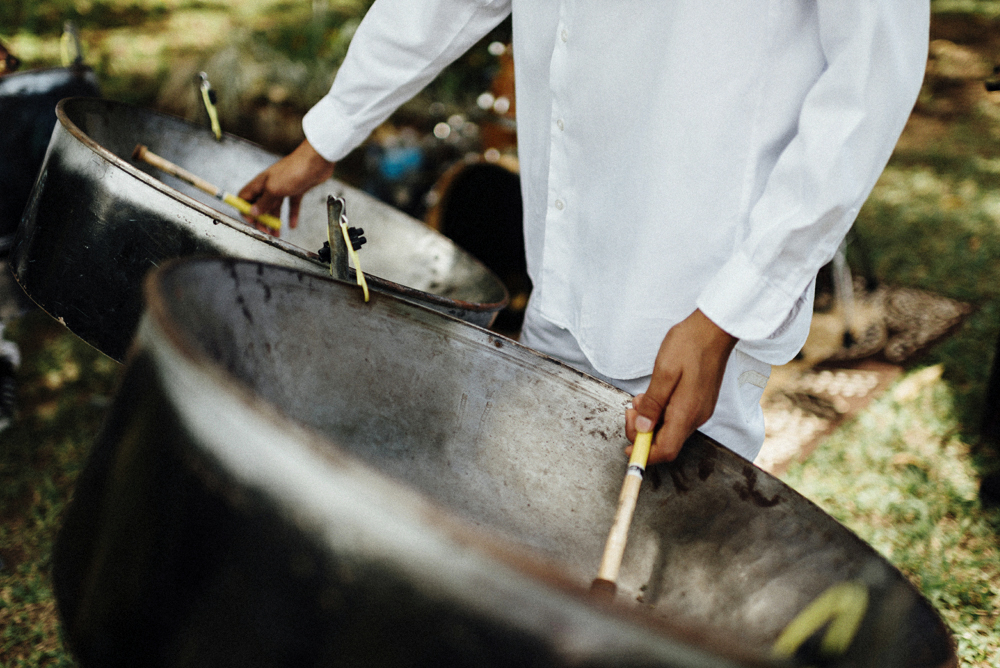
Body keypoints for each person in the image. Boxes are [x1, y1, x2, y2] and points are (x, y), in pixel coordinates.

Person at [240, 1, 930, 465]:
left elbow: (871, 82)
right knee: (542, 563)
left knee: (655, 597)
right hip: (564, 267)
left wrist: (731, 310)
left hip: (693, 297)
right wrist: (327, 134)